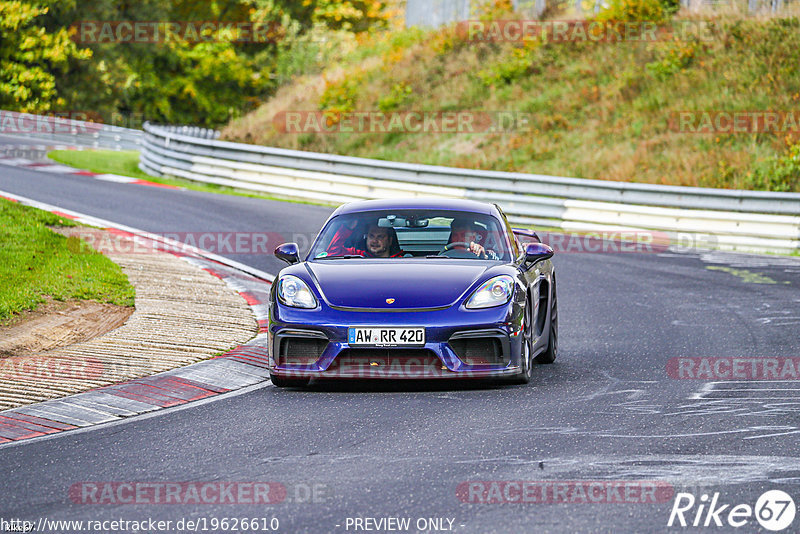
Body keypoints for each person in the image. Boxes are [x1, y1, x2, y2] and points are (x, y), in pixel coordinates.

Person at [326, 219, 404, 258]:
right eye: (371, 236)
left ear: (390, 241)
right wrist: (347, 229)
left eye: (380, 236)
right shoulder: (357, 256)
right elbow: (332, 253)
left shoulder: (402, 261)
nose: (374, 241)